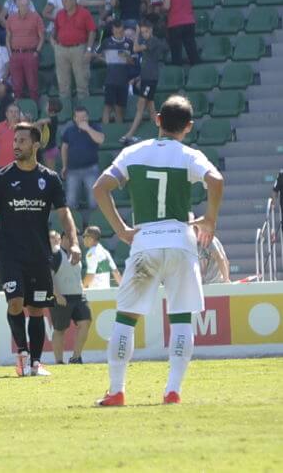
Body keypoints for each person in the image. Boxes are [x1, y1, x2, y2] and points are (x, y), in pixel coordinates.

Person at [93, 94, 224, 406]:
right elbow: (216, 181)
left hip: (145, 240)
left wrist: (121, 228)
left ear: (157, 120)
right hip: (181, 240)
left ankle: (116, 391)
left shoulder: (134, 152)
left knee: (125, 319)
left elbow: (100, 187)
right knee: (181, 319)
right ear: (188, 127)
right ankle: (173, 390)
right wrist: (210, 221)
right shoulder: (189, 155)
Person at [0, 122, 82, 377]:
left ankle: (36, 363)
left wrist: (74, 241)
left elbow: (64, 213)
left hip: (38, 253)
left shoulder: (49, 178)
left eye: (22, 141)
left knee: (36, 308)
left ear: (35, 145)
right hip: (9, 253)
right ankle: (22, 356)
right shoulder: (2, 178)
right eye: (15, 141)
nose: (16, 145)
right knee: (15, 303)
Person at [49, 230, 91, 364]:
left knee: (86, 321)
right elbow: (48, 276)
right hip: (62, 297)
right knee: (59, 329)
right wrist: (57, 294)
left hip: (78, 296)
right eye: (71, 237)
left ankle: (76, 357)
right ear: (63, 239)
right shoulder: (56, 254)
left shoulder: (77, 253)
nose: (74, 240)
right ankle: (59, 361)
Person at [123, 20, 167, 142]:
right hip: (147, 78)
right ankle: (164, 134)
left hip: (150, 79)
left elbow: (135, 48)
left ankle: (130, 133)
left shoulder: (153, 41)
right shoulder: (148, 41)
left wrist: (136, 33)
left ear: (151, 30)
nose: (144, 34)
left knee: (140, 106)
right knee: (152, 110)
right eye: (142, 32)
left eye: (145, 31)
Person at [52, 0, 96, 100]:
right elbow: (55, 32)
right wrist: (56, 47)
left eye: (66, 1)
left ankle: (83, 114)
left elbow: (92, 31)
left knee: (82, 84)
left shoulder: (84, 13)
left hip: (79, 49)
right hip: (62, 49)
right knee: (63, 86)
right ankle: (65, 114)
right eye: (62, 1)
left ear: (74, 0)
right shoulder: (59, 14)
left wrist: (89, 50)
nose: (64, 3)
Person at [61, 106, 105, 210]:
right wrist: (64, 166)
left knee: (94, 202)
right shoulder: (69, 130)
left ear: (88, 117)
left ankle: (94, 224)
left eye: (84, 117)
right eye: (79, 117)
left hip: (91, 169)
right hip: (72, 170)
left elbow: (101, 140)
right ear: (74, 118)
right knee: (70, 201)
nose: (82, 119)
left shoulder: (95, 127)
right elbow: (64, 148)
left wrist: (88, 129)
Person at [94, 19, 133, 124]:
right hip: (110, 80)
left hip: (123, 80)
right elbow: (96, 54)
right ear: (112, 30)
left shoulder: (129, 43)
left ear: (123, 30)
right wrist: (107, 60)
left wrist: (126, 57)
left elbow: (133, 62)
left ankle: (118, 133)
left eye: (120, 31)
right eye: (116, 32)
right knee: (107, 107)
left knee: (119, 109)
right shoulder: (106, 42)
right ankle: (105, 133)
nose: (118, 34)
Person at [5, 0, 44, 101]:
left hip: (30, 53)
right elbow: (8, 37)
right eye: (22, 5)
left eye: (26, 5)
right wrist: (10, 53)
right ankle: (17, 110)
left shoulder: (36, 17)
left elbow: (42, 37)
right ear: (17, 6)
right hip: (15, 54)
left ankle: (35, 107)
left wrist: (37, 52)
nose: (25, 7)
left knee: (32, 85)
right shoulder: (11, 18)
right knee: (16, 86)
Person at [162, 0, 199, 66]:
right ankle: (198, 72)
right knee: (192, 51)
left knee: (176, 54)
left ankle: (177, 78)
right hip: (189, 21)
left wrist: (160, 8)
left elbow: (167, 6)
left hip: (175, 23)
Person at [0, 103, 21, 176]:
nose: (13, 114)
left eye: (16, 112)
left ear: (19, 114)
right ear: (6, 114)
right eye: (11, 112)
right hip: (1, 167)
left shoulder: (24, 128)